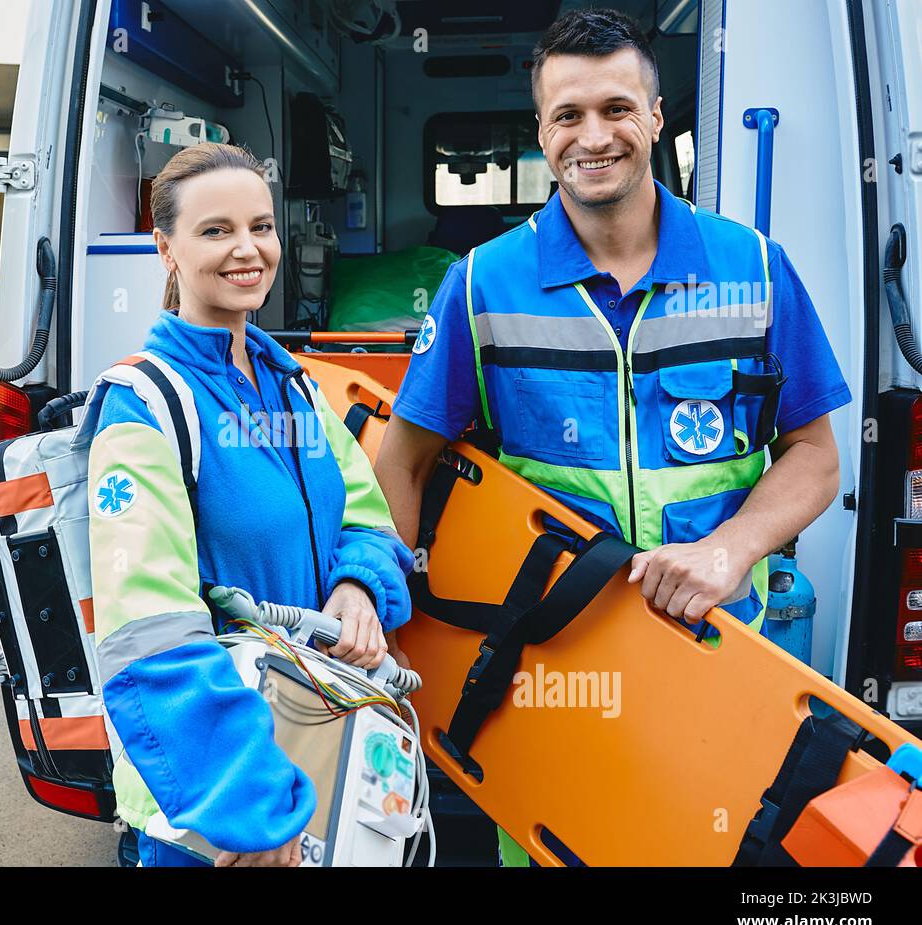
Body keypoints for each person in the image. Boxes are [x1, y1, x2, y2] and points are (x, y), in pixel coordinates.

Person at [373, 8, 849, 866]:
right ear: (542, 132)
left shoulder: (757, 268)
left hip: (718, 654)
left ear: (657, 118)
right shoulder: (480, 284)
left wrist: (732, 548)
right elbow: (401, 462)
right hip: (547, 667)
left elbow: (815, 455)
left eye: (617, 109)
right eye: (568, 115)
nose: (594, 136)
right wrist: (384, 624)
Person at [86, 142, 414, 867]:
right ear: (164, 248)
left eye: (261, 227)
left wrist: (359, 586)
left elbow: (366, 513)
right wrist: (250, 814)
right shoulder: (146, 407)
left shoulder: (290, 384)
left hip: (309, 736)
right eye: (216, 231)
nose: (248, 250)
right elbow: (150, 636)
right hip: (213, 804)